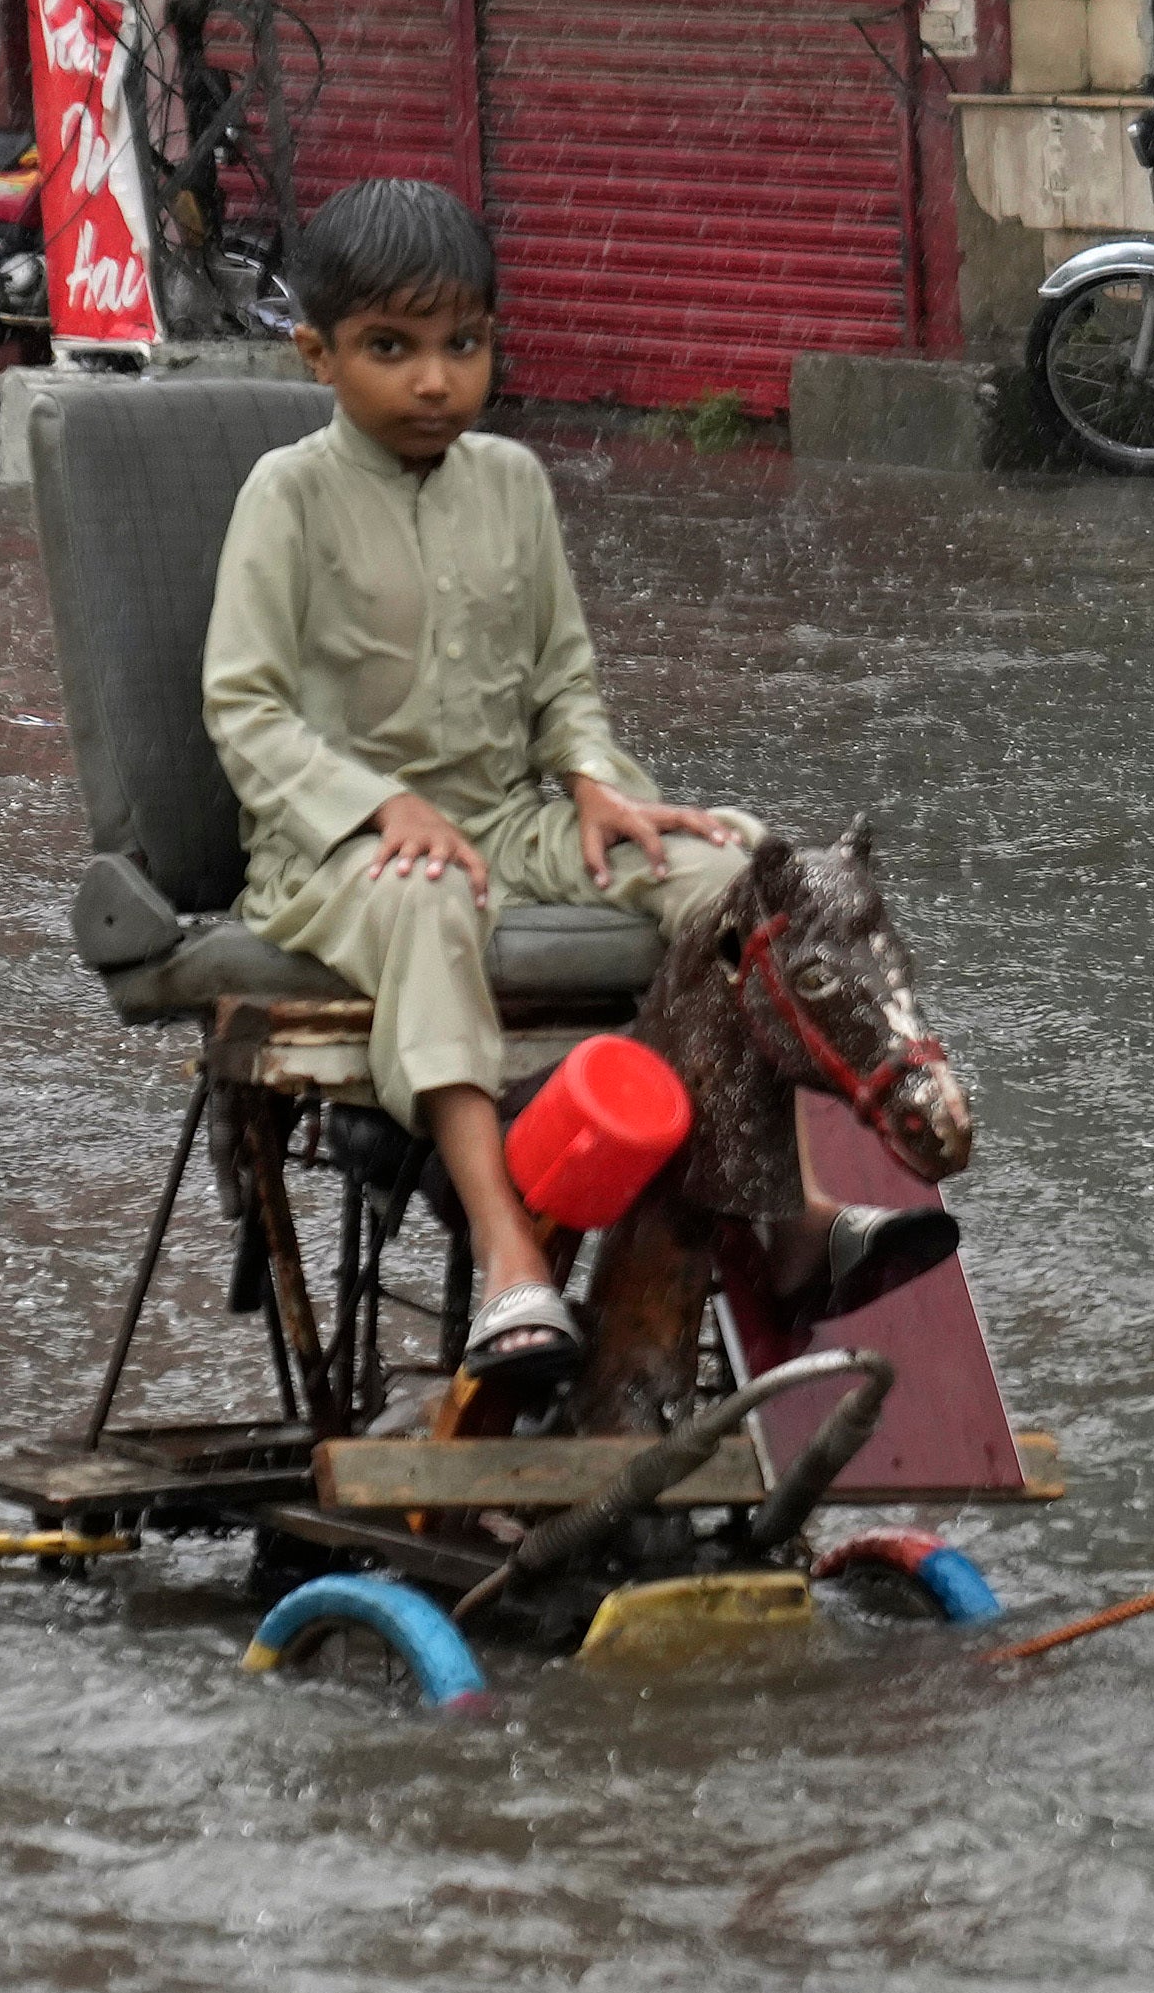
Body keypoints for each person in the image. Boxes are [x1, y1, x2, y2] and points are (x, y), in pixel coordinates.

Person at [204, 177, 765, 1392]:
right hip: (332, 860)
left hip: (511, 823)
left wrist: (599, 783)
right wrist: (375, 807)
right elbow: (241, 709)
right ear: (318, 354)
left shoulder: (512, 481)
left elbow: (564, 682)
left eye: (463, 346)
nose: (433, 382)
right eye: (390, 350)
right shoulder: (286, 497)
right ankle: (511, 1255)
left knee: (739, 862)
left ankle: (801, 1207)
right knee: (426, 895)